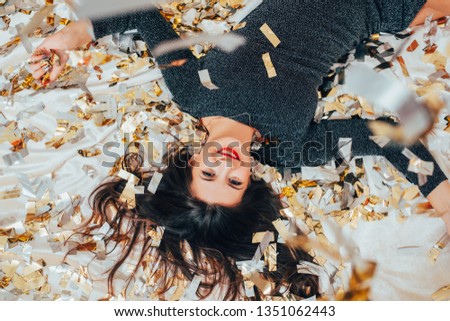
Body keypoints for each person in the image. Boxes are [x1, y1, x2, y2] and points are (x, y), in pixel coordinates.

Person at [30, 0, 450, 299]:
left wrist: (71, 37)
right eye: (233, 181)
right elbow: (382, 137)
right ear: (249, 184)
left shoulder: (193, 93)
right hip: (375, 8)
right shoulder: (289, 148)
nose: (226, 165)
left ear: (190, 162)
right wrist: (442, 196)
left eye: (208, 173)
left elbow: (145, 16)